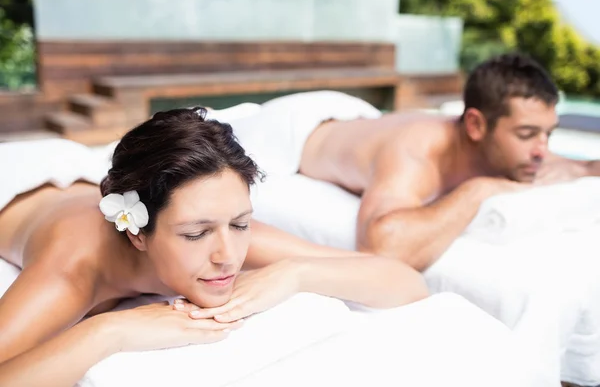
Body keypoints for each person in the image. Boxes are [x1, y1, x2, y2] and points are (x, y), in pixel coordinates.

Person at [0, 107, 428, 386]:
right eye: (195, 234)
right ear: (136, 233)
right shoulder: (70, 273)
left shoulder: (222, 227)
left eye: (240, 223)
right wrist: (108, 331)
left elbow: (405, 282)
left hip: (78, 176)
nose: (229, 255)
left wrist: (297, 272)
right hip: (18, 181)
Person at [292, 53, 600, 271]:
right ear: (476, 125)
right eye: (526, 134)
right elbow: (380, 247)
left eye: (547, 134)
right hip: (298, 130)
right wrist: (480, 189)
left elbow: (584, 168)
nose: (540, 151)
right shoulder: (417, 152)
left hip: (358, 117)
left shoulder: (516, 150)